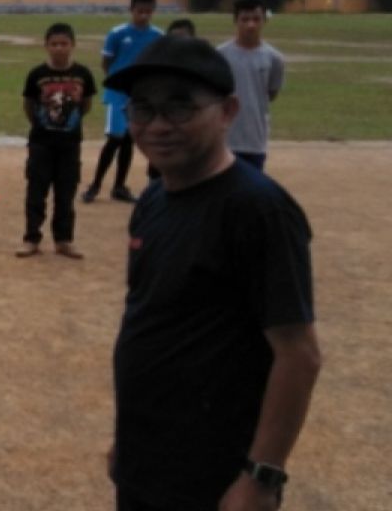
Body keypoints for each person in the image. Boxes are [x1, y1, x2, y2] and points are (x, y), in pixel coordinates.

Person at [105, 35, 321, 511]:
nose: (158, 126)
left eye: (180, 108)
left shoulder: (258, 211)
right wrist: (129, 439)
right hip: (147, 459)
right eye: (142, 109)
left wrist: (261, 475)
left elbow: (298, 354)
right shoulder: (154, 201)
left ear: (227, 111)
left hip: (213, 473)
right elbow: (150, 324)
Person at [17, 22, 97, 259]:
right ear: (46, 46)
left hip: (70, 145)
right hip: (41, 143)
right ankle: (32, 238)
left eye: (64, 44)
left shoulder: (83, 74)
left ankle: (63, 240)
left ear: (72, 45)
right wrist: (41, 125)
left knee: (66, 193)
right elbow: (29, 105)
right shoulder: (37, 74)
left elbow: (87, 105)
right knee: (36, 191)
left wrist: (70, 122)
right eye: (54, 44)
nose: (59, 48)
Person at [82, 0, 161, 204]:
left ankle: (119, 186)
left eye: (148, 11)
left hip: (141, 96)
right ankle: (95, 185)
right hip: (118, 93)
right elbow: (107, 62)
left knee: (128, 140)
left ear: (153, 11)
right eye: (139, 11)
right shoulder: (117, 33)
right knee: (115, 138)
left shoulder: (157, 36)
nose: (143, 15)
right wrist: (118, 82)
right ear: (131, 9)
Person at [219, 0, 285, 172]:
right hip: (224, 139)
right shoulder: (220, 55)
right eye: (245, 19)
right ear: (236, 21)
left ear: (264, 21)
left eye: (256, 19)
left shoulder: (274, 58)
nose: (251, 25)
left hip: (255, 140)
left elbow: (271, 93)